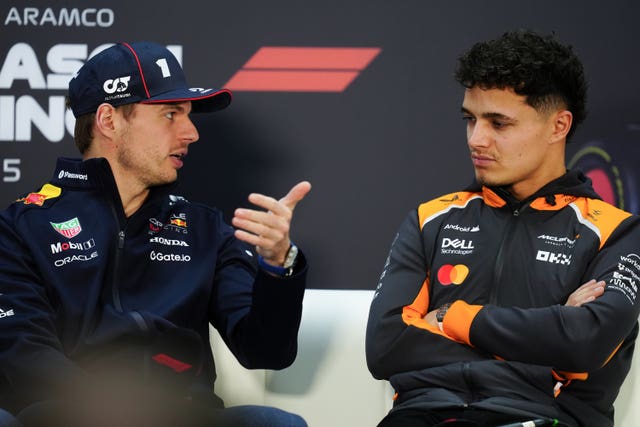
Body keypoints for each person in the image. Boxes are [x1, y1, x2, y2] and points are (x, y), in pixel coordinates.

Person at [0, 41, 311, 427]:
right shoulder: (19, 227)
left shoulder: (204, 228)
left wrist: (277, 265)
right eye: (170, 114)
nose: (192, 133)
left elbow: (266, 351)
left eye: (188, 115)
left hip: (181, 414)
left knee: (277, 424)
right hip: (68, 415)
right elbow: (25, 357)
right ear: (109, 120)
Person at [366, 30, 640, 427]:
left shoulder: (616, 231)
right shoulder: (430, 219)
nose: (477, 139)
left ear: (558, 126)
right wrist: (546, 344)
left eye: (499, 123)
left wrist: (450, 319)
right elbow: (386, 346)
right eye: (470, 119)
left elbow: (586, 342)